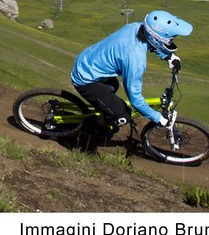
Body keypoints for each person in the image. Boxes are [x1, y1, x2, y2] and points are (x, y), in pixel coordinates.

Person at [70, 9, 193, 142]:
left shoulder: (135, 27)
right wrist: (157, 118)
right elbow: (134, 98)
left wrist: (169, 57)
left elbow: (150, 41)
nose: (171, 42)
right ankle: (91, 133)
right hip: (86, 79)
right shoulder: (135, 58)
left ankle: (102, 114)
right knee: (122, 116)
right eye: (170, 39)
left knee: (111, 90)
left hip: (88, 60)